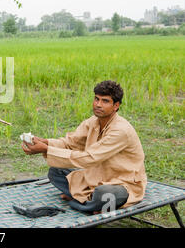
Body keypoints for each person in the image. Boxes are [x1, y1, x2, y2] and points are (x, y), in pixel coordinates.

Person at [22, 80, 147, 214]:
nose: (98, 104)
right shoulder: (93, 122)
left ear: (116, 106)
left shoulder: (121, 130)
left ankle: (81, 201)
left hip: (123, 183)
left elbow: (89, 158)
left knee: (104, 193)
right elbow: (71, 143)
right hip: (96, 177)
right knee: (56, 172)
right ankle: (88, 202)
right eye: (96, 99)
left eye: (105, 101)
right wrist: (46, 142)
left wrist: (46, 150)